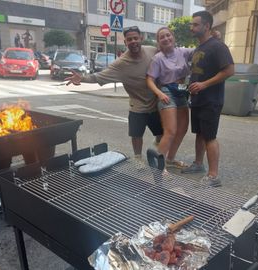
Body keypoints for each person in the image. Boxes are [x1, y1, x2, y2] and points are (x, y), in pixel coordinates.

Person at [64, 26, 162, 159]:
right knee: (136, 135)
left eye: (135, 38)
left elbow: (167, 56)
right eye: (129, 39)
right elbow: (100, 76)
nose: (133, 41)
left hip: (155, 104)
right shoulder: (121, 63)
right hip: (137, 106)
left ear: (141, 38)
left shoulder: (152, 51)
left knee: (161, 133)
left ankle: (157, 149)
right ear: (125, 42)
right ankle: (138, 158)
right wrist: (82, 78)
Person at [181, 11, 235, 188]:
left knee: (210, 136)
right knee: (200, 134)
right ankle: (198, 164)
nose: (192, 27)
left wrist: (204, 85)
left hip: (211, 100)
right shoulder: (199, 47)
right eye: (192, 24)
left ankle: (213, 176)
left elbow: (229, 71)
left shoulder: (217, 46)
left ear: (206, 26)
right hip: (198, 100)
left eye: (195, 24)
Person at [146, 27, 193, 168]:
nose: (166, 39)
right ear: (159, 42)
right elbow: (149, 79)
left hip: (182, 92)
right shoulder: (158, 58)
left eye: (168, 35)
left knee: (182, 129)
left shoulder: (183, 52)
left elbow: (202, 50)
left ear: (173, 37)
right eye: (162, 37)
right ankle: (158, 165)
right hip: (167, 92)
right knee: (170, 131)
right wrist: (159, 93)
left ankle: (170, 160)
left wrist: (214, 38)